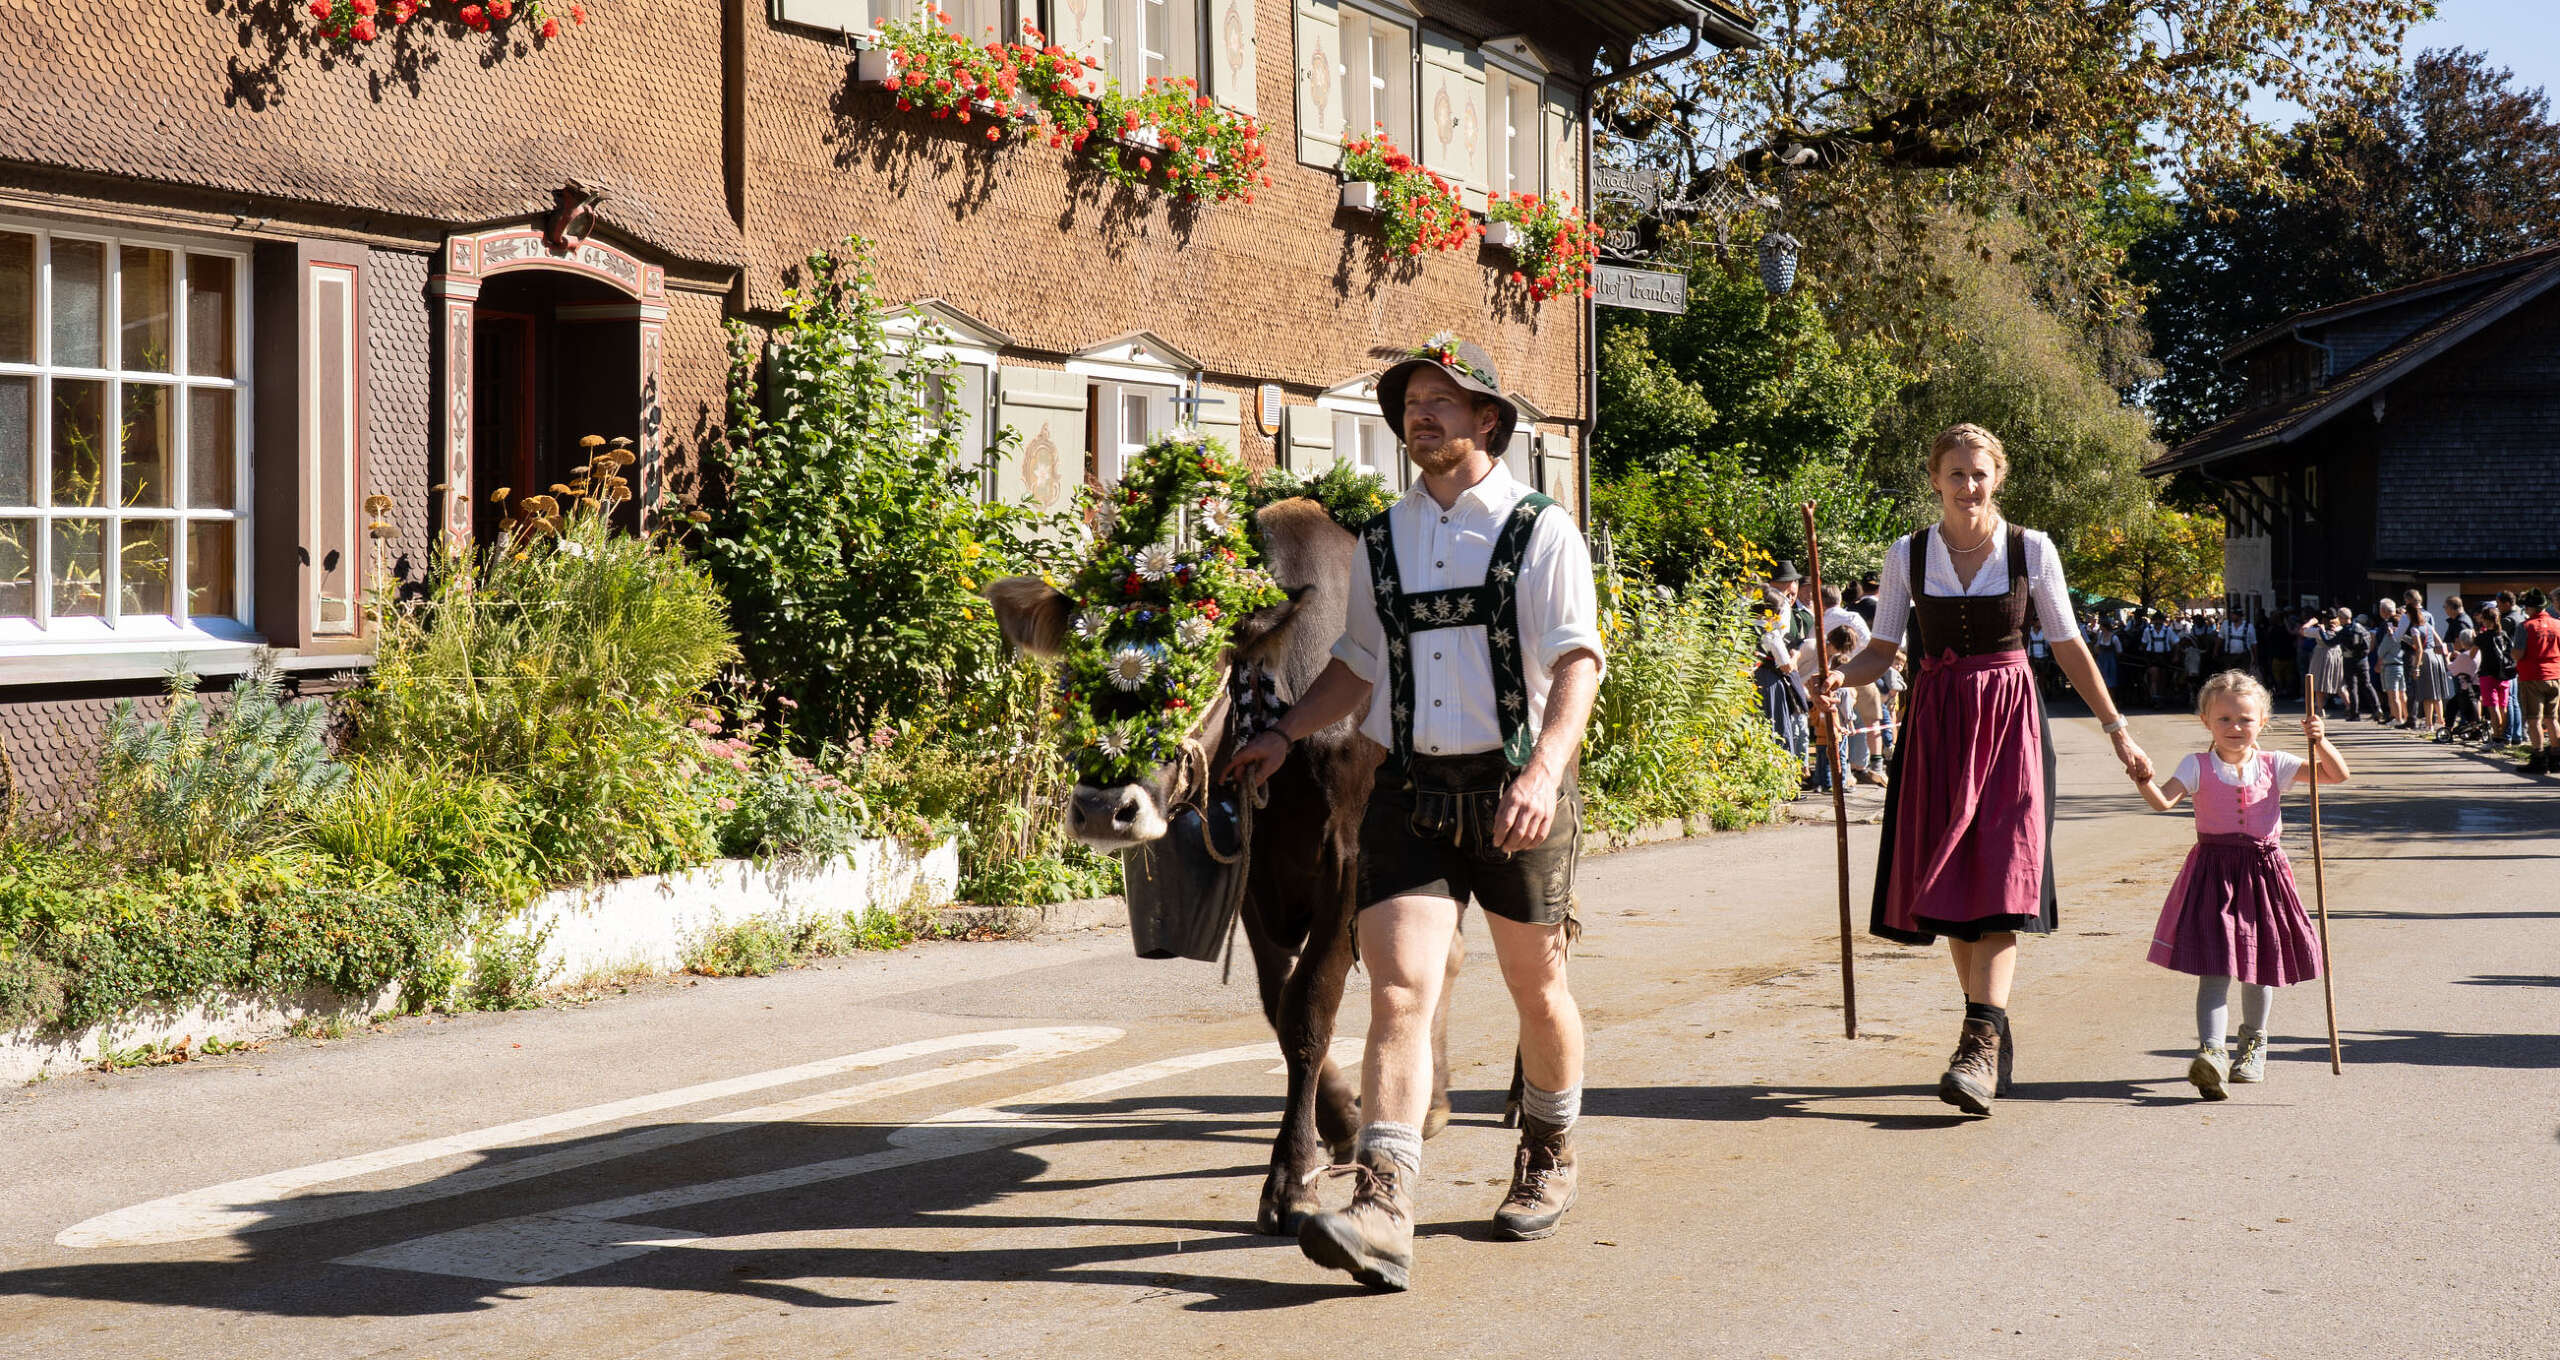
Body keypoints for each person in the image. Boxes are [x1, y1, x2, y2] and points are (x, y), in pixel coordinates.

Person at [1226, 337, 1603, 1292]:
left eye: (1443, 401)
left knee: (1536, 989)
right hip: (1413, 793)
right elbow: (1356, 665)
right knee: (1399, 990)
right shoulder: (1386, 537)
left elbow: (1575, 663)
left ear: (1487, 422)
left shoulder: (1539, 527)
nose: (1421, 415)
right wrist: (1283, 733)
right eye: (1410, 403)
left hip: (1517, 792)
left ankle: (1550, 1151)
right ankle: (1387, 1204)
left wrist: (1545, 772)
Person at [1819, 423, 2152, 1116]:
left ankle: (1976, 1040)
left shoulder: (2032, 549)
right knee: (1952, 891)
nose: (1968, 486)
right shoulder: (1906, 555)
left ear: (1996, 477)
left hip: (2009, 726)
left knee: (2003, 874)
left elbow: (2067, 645)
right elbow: (1882, 650)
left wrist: (2118, 731)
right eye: (1956, 474)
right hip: (1937, 725)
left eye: (1979, 474)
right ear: (1935, 479)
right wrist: (1838, 678)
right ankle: (1988, 1029)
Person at [2131, 671, 2348, 1099]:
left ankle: (2253, 1046)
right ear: (2205, 721)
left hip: (2264, 875)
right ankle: (2211, 1053)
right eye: (2224, 719)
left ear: (2262, 721)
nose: (2235, 728)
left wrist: (2320, 738)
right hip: (2213, 874)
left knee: (2259, 965)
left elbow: (2336, 775)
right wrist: (2142, 779)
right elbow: (2162, 801)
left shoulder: (2276, 764)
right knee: (2213, 968)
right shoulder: (2195, 765)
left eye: (2245, 719)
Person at [2515, 588, 2560, 775]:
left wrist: (2511, 654)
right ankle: (2557, 758)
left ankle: (2539, 758)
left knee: (2534, 719)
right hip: (2555, 675)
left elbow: (2518, 653)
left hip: (2532, 676)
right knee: (2553, 718)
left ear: (2530, 607)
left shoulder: (2525, 626)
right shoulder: (2558, 624)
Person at [2474, 605, 2514, 752]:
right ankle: (2502, 738)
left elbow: (2472, 655)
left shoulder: (2482, 637)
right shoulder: (2503, 634)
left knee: (2493, 707)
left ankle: (2496, 739)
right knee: (2503, 707)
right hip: (2504, 675)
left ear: (2485, 620)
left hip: (2487, 674)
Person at [2338, 609, 2380, 721]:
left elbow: (2330, 642)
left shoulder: (2346, 630)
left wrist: (2322, 632)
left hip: (2350, 660)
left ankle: (2354, 714)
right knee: (2367, 684)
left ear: (2341, 618)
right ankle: (2377, 709)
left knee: (2352, 688)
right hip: (2363, 660)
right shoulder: (2361, 628)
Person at [2304, 610, 2344, 715]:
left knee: (2319, 683)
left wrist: (2311, 622)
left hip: (2322, 655)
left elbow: (2303, 630)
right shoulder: (2340, 629)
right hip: (2337, 655)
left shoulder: (2318, 631)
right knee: (2340, 684)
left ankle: (2320, 708)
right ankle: (2350, 707)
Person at [2376, 599, 2409, 726]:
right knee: (2402, 693)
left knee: (2392, 694)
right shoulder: (2403, 635)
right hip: (2401, 665)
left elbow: (2381, 651)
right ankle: (2406, 717)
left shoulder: (2390, 636)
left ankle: (2398, 718)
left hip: (2390, 666)